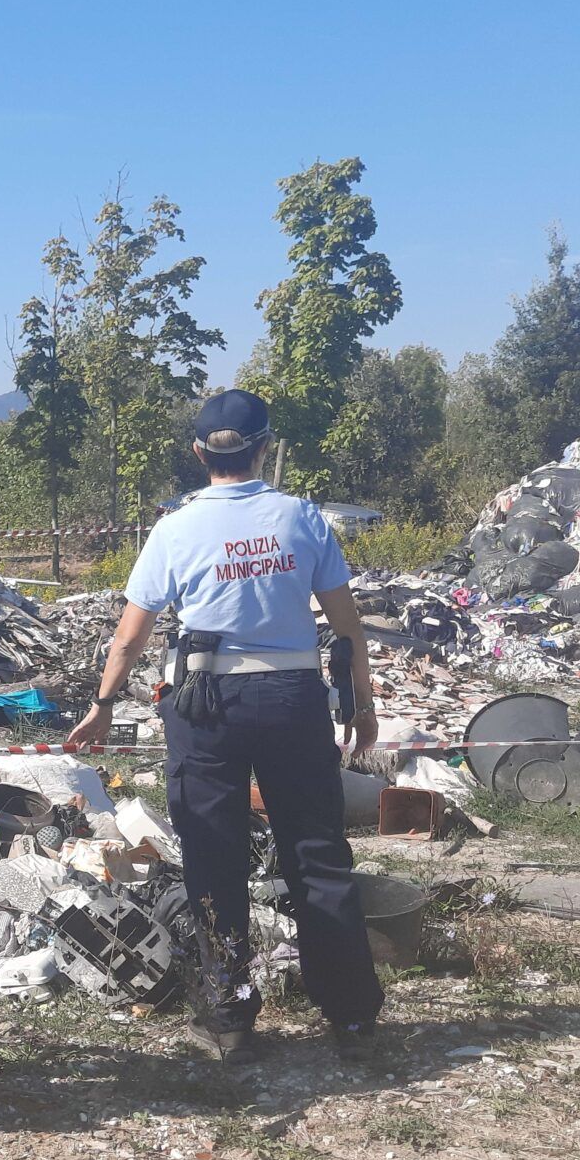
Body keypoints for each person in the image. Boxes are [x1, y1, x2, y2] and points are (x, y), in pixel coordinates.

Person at [70, 388, 384, 1060]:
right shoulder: (301, 518)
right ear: (264, 448)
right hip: (294, 699)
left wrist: (103, 703)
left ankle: (230, 1015)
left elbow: (130, 636)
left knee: (214, 855)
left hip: (205, 703)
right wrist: (362, 702)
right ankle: (352, 1013)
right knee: (316, 850)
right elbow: (346, 624)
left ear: (198, 453)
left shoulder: (175, 528)